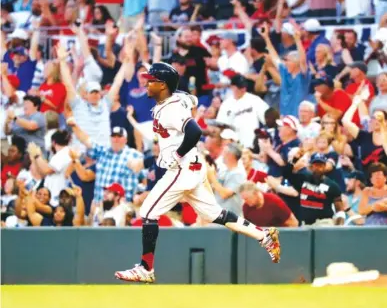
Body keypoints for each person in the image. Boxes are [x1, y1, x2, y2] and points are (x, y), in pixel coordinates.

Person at [114, 62, 281, 283]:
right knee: (214, 214)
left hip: (181, 169)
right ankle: (263, 235)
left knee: (148, 212)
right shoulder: (178, 99)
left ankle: (146, 268)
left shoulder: (171, 108)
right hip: (194, 167)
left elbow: (194, 130)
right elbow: (189, 98)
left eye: (151, 80)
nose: (146, 83)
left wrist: (177, 154)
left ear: (163, 85)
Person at [283, 152, 345, 226]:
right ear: (311, 166)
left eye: (320, 165)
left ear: (325, 166)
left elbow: (339, 210)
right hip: (305, 224)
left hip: (324, 223)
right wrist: (294, 160)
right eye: (316, 165)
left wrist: (339, 227)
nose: (318, 168)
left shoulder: (332, 186)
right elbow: (286, 173)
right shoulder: (302, 179)